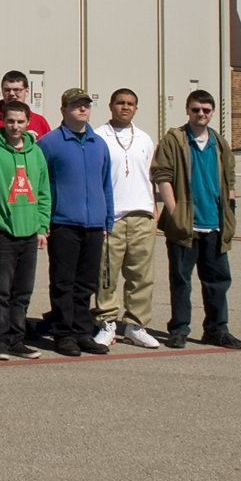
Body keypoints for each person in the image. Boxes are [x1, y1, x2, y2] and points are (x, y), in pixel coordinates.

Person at [151, 91, 241, 350]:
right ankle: (179, 329)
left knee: (217, 281)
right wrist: (176, 213)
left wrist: (230, 212)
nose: (201, 114)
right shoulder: (175, 140)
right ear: (187, 110)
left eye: (206, 109)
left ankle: (217, 329)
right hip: (185, 226)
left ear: (213, 112)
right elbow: (162, 175)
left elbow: (230, 180)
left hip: (215, 224)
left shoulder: (219, 143)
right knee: (181, 280)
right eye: (196, 109)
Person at [38, 89, 115, 358]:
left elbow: (106, 184)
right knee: (63, 282)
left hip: (94, 225)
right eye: (76, 105)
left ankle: (83, 332)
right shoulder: (49, 143)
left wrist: (108, 220)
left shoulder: (99, 144)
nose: (82, 109)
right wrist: (43, 221)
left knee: (85, 283)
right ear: (63, 110)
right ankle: (63, 333)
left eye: (86, 105)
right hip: (63, 224)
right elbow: (40, 185)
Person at [0, 102, 51, 360]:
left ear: (28, 122)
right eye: (10, 121)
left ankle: (16, 339)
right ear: (3, 122)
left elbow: (43, 192)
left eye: (20, 122)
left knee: (22, 292)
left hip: (29, 233)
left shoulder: (36, 153)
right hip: (2, 233)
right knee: (0, 292)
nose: (15, 126)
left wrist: (42, 226)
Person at [93, 89, 162, 349]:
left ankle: (135, 325)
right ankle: (107, 322)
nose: (125, 107)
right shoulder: (98, 137)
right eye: (120, 103)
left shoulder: (144, 139)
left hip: (142, 216)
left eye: (130, 104)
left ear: (136, 108)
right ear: (110, 106)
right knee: (106, 275)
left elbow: (150, 178)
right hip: (112, 218)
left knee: (141, 276)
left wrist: (153, 210)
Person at [0, 71, 51, 148]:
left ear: (27, 91)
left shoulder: (40, 122)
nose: (11, 94)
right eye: (7, 90)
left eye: (16, 90)